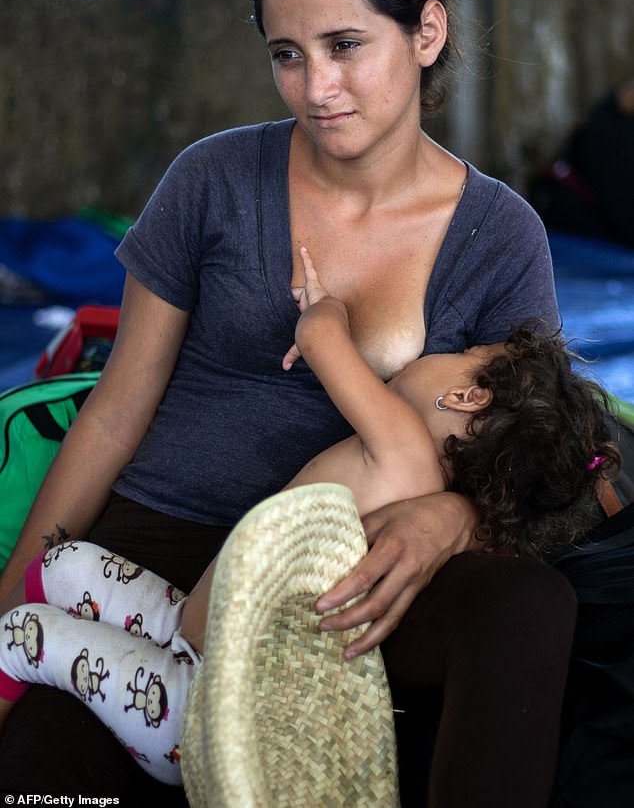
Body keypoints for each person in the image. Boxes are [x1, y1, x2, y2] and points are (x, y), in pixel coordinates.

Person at [0, 0, 580, 806]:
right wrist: (14, 592)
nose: (316, 87)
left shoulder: (499, 235)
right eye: (287, 54)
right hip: (161, 547)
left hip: (351, 568)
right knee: (43, 774)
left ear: (426, 32)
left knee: (527, 607)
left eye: (345, 45)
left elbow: (535, 436)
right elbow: (114, 412)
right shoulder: (213, 178)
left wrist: (453, 519)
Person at [0, 248, 620, 785]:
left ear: (466, 395)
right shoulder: (423, 481)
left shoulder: (402, 444)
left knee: (21, 632)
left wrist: (327, 308)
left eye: (464, 351)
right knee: (65, 563)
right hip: (192, 627)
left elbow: (322, 342)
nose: (443, 350)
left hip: (193, 704)